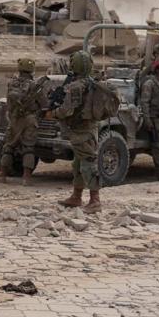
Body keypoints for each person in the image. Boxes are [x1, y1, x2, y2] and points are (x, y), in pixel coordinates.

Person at [54, 51, 102, 213]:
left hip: (82, 131)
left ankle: (95, 201)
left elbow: (66, 110)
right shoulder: (91, 83)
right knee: (78, 164)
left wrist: (53, 113)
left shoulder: (76, 87)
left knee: (88, 163)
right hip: (87, 128)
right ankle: (76, 196)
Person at [0, 57, 40, 185]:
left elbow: (9, 101)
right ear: (31, 70)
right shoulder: (35, 85)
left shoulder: (12, 83)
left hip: (14, 119)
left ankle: (2, 175)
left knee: (8, 147)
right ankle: (26, 178)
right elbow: (44, 103)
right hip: (29, 119)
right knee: (28, 148)